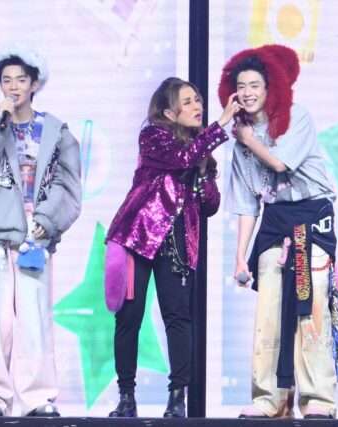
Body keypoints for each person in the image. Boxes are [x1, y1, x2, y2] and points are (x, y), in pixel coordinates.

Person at [219, 44, 338, 419]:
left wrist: (248, 139)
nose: (247, 93)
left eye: (254, 85)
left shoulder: (296, 118)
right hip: (274, 220)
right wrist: (240, 257)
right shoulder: (241, 140)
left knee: (311, 307)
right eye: (241, 86)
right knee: (269, 311)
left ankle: (318, 398)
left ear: (269, 87)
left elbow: (280, 163)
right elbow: (247, 203)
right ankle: (269, 398)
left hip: (311, 217)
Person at [105, 77, 239, 418]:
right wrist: (220, 125)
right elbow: (180, 158)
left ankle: (177, 398)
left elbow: (210, 205)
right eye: (188, 101)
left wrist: (204, 175)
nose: (198, 106)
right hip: (138, 236)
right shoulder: (154, 136)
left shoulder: (200, 150)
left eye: (198, 100)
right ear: (169, 112)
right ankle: (126, 397)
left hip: (178, 240)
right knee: (129, 318)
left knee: (178, 318)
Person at [0, 47, 81, 417]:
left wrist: (47, 219)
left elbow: (68, 183)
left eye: (21, 80)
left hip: (35, 234)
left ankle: (38, 397)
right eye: (7, 80)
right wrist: (0, 123)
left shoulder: (56, 131)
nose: (13, 87)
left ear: (34, 84)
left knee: (34, 318)